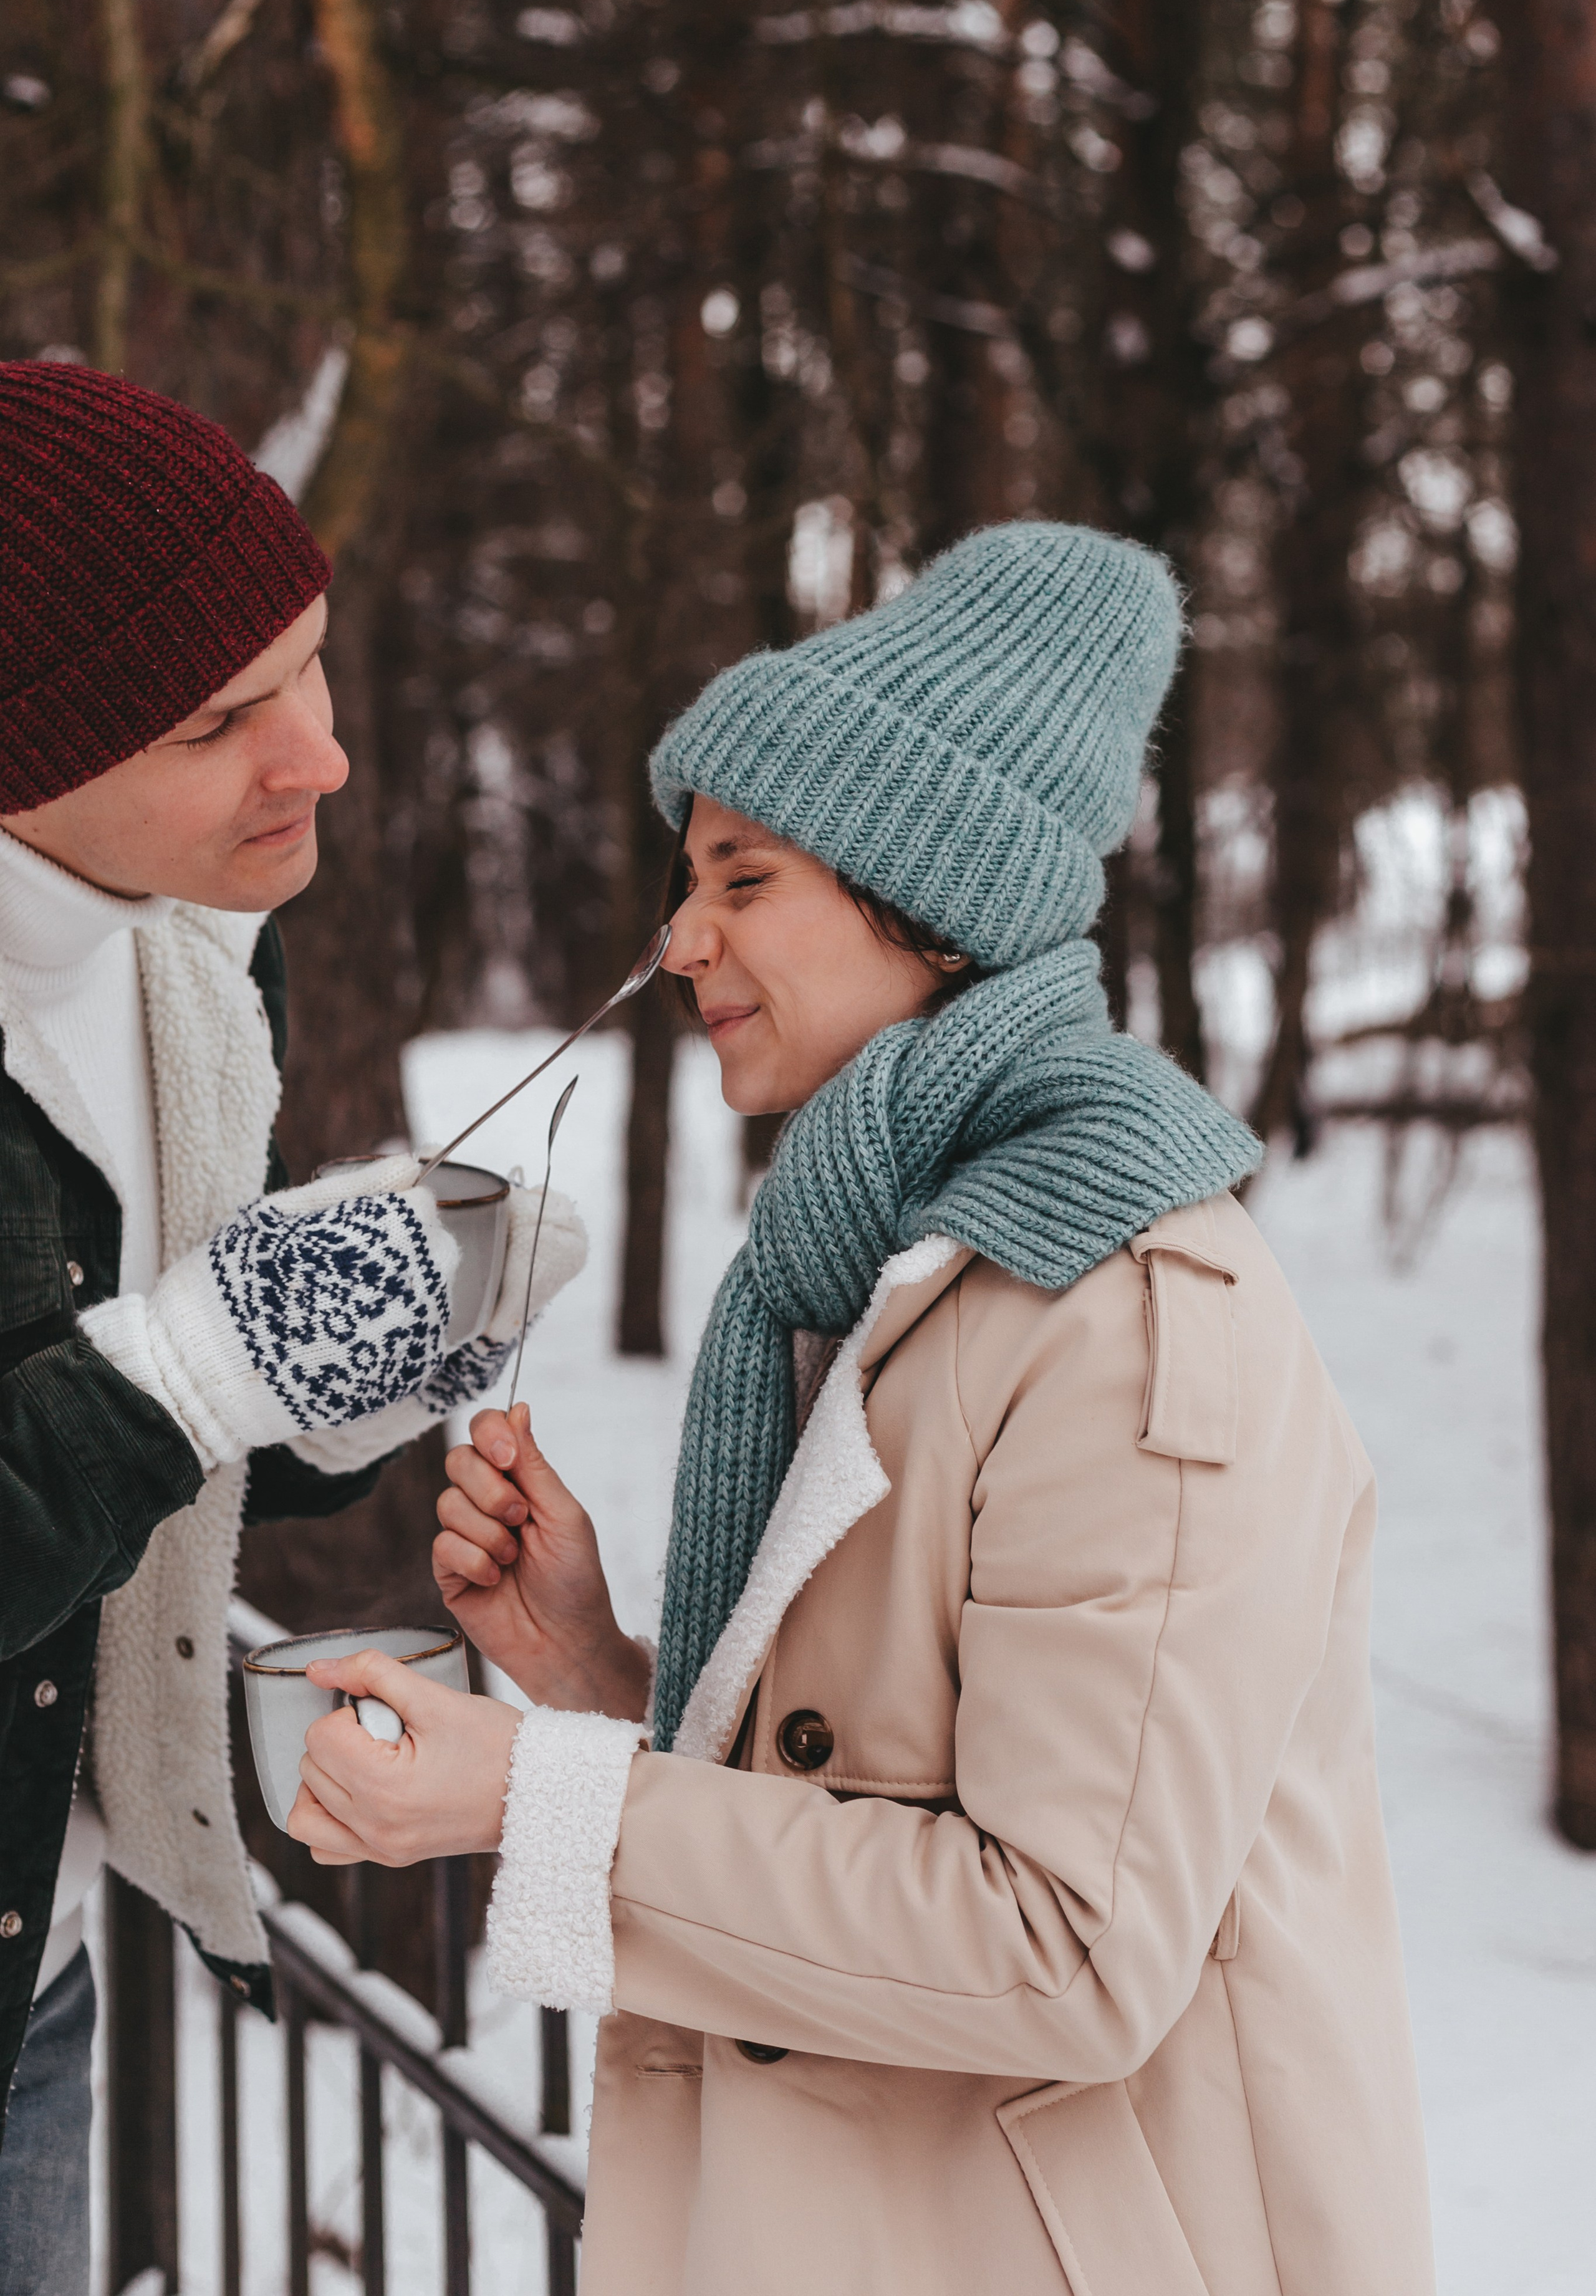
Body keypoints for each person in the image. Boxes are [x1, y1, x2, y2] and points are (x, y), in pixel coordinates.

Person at [287, 524, 1436, 2295]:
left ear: (934, 895)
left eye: (742, 879)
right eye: (688, 884)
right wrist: (597, 1668)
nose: (680, 942)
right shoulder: (893, 1263)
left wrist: (541, 1793)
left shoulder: (1123, 1311)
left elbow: (1062, 1942)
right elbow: (895, 1783)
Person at [0, 361, 585, 2296]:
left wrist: (345, 1374)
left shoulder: (171, 942)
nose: (319, 756)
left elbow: (126, 1368)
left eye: (310, 666)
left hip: (45, 1965)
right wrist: (209, 1356)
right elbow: (148, 1362)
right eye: (217, 718)